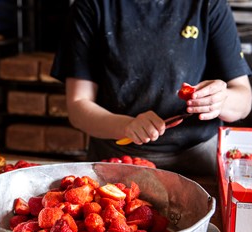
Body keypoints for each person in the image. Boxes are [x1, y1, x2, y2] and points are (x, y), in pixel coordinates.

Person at [51, 0, 252, 176]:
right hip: (118, 162)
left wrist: (220, 99)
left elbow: (244, 100)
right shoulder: (91, 6)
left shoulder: (208, 4)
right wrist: (126, 126)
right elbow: (78, 106)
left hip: (198, 161)